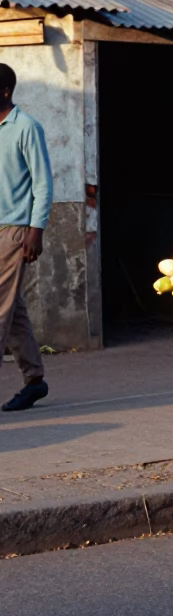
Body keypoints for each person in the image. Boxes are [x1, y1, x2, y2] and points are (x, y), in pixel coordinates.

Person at [0, 63, 53, 412]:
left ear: (5, 91)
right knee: (13, 310)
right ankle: (34, 381)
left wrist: (36, 230)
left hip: (14, 232)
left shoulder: (27, 127)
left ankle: (34, 380)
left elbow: (43, 183)